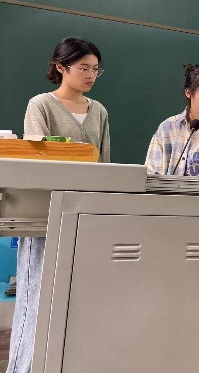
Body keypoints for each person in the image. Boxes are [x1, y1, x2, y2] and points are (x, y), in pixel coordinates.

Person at [7, 37, 110, 373]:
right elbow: (38, 163)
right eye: (83, 68)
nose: (91, 75)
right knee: (36, 303)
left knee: (79, 303)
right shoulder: (41, 105)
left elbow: (104, 166)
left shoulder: (99, 111)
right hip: (44, 219)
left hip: (86, 219)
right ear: (61, 67)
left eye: (95, 69)